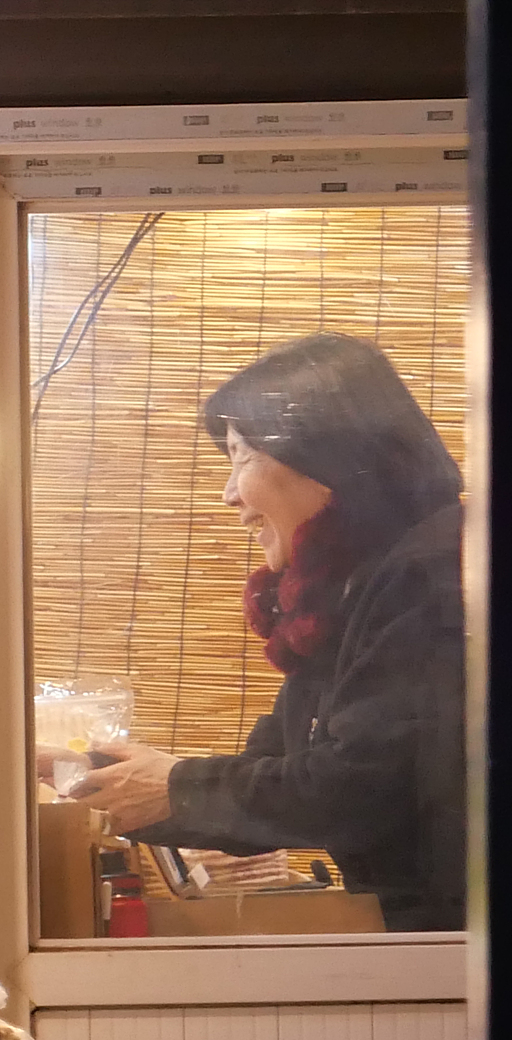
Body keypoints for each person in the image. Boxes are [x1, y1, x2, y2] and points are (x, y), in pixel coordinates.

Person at [65, 333, 465, 931]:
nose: (230, 496)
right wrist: (89, 774)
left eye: (241, 456)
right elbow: (274, 768)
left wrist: (176, 786)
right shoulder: (344, 593)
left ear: (324, 453)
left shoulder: (436, 571)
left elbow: (362, 788)